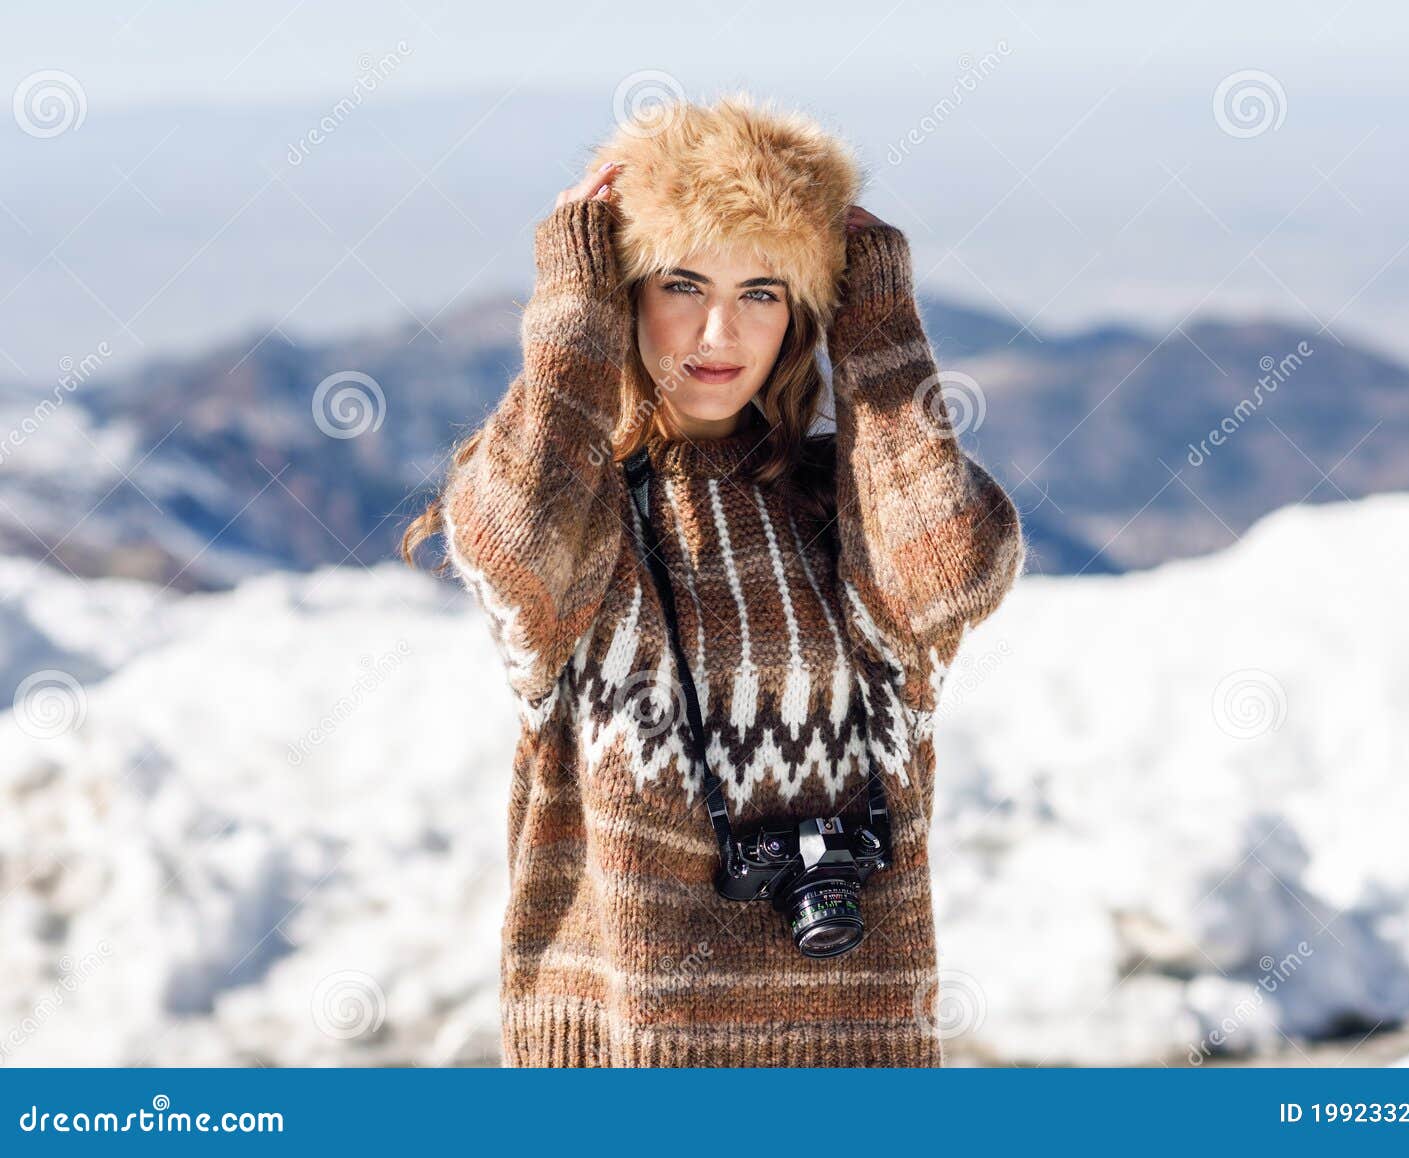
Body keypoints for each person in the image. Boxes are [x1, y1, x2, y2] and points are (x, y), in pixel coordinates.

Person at [401, 92, 1025, 1066]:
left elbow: (949, 572)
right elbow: (515, 542)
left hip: (855, 1062)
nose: (719, 334)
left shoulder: (843, 504)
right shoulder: (589, 515)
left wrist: (878, 319)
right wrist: (572, 306)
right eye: (681, 284)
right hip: (618, 1060)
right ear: (623, 292)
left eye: (764, 292)